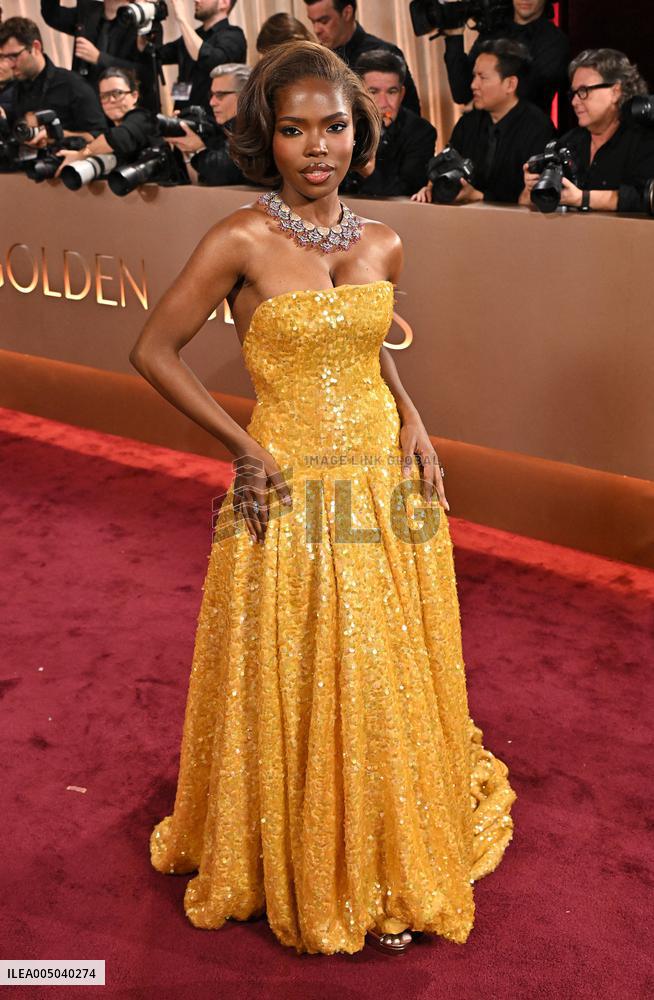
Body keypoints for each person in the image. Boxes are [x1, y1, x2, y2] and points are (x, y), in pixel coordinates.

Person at [131, 39, 516, 957]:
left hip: (385, 479)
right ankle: (318, 852)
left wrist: (414, 422)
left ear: (361, 132)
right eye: (296, 129)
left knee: (382, 665)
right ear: (268, 136)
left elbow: (366, 348)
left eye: (334, 127)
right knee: (312, 665)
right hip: (294, 484)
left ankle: (388, 840)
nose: (317, 147)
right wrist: (244, 448)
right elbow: (152, 350)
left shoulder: (382, 239)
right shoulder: (239, 237)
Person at [413, 39, 555, 205]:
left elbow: (530, 196)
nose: (473, 85)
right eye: (474, 76)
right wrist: (433, 187)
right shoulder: (468, 123)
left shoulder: (538, 128)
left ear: (510, 84)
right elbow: (447, 166)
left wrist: (480, 196)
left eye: (483, 78)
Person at [522, 48, 654, 213]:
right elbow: (525, 203)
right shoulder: (569, 142)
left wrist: (582, 198)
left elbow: (644, 198)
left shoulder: (644, 141)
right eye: (574, 93)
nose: (575, 102)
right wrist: (532, 188)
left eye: (584, 91)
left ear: (615, 92)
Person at [443, 0, 569, 114]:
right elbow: (461, 92)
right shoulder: (493, 30)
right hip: (480, 132)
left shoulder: (554, 41)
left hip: (525, 133)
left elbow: (529, 93)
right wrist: (454, 37)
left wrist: (480, 102)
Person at [341, 48, 436, 197]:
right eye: (373, 92)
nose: (383, 103)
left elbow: (408, 192)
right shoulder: (342, 125)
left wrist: (369, 171)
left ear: (402, 93)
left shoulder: (421, 132)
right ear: (358, 93)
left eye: (392, 92)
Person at [304, 0, 421, 115]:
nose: (316, 30)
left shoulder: (385, 52)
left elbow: (412, 119)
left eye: (324, 21)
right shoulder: (315, 60)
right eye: (312, 22)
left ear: (347, 13)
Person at [0, 16, 105, 136]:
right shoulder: (16, 87)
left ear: (36, 47)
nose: (8, 64)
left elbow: (99, 136)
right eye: (3, 57)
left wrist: (57, 135)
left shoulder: (72, 85)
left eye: (13, 56)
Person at [52, 66, 157, 176]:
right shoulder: (109, 125)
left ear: (134, 96)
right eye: (104, 96)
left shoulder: (142, 118)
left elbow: (117, 138)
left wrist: (81, 155)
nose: (111, 100)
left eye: (117, 93)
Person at [165, 62, 251, 185]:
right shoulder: (226, 130)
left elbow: (220, 174)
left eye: (220, 95)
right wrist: (187, 150)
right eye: (212, 95)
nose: (212, 102)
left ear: (245, 96)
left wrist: (199, 149)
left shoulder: (254, 129)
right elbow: (203, 182)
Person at [156, 0, 246, 113]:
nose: (196, 0)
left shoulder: (233, 35)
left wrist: (182, 19)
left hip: (214, 123)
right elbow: (157, 55)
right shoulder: (193, 36)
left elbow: (212, 62)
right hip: (183, 117)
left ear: (224, 3)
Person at [39, 1, 141, 91]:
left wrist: (99, 58)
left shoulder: (142, 22)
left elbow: (144, 72)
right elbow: (52, 15)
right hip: (86, 99)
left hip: (120, 101)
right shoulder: (88, 11)